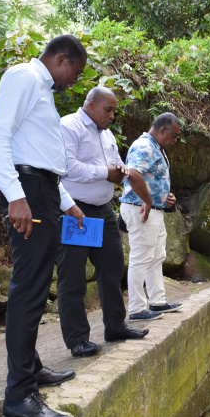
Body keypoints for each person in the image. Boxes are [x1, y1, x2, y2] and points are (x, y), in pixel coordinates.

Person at [0, 34, 87, 417]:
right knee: (28, 288)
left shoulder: (39, 88)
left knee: (39, 285)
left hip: (41, 190)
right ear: (62, 59)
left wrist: (67, 203)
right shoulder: (24, 77)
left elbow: (38, 157)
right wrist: (15, 196)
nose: (71, 83)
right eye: (73, 74)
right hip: (27, 193)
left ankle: (33, 367)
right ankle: (20, 395)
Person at [56, 87, 149, 356]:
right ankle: (77, 339)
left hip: (103, 210)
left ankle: (115, 326)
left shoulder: (107, 134)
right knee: (72, 276)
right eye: (108, 109)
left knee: (112, 267)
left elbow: (116, 165)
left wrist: (119, 171)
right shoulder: (68, 126)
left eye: (114, 111)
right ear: (91, 104)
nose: (112, 115)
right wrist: (104, 173)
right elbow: (66, 166)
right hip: (75, 210)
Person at [119, 112, 183, 321]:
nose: (175, 141)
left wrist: (165, 196)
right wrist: (148, 200)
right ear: (162, 130)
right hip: (141, 209)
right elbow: (133, 173)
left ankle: (157, 302)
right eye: (173, 135)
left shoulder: (156, 147)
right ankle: (137, 308)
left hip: (153, 209)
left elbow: (149, 178)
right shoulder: (145, 146)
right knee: (141, 258)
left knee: (156, 256)